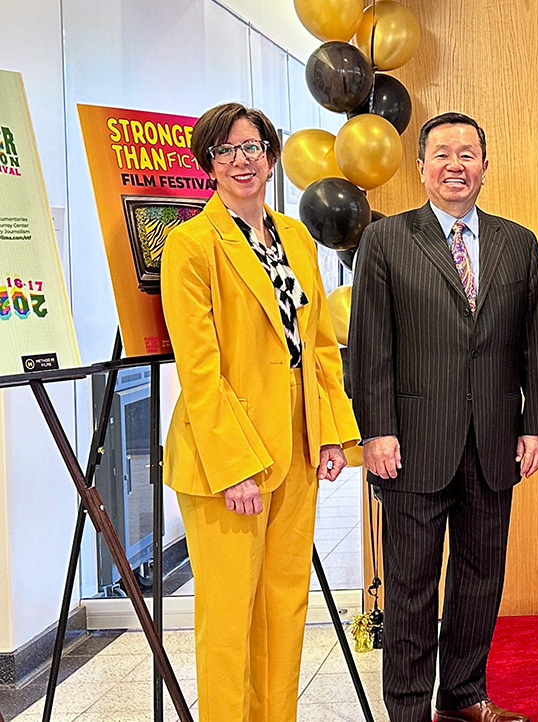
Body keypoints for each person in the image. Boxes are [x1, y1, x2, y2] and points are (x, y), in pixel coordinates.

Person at [349, 112, 538, 722]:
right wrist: (377, 430)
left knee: (479, 579)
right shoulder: (386, 240)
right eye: (442, 154)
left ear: (486, 168)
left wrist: (537, 422)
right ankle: (410, 708)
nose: (455, 165)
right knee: (411, 587)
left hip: (494, 441)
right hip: (412, 442)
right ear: (420, 168)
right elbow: (370, 345)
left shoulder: (518, 243)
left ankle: (464, 695)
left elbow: (533, 342)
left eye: (468, 154)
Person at [161, 102, 359, 722]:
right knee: (227, 623)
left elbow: (320, 346)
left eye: (252, 148)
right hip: (229, 458)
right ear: (209, 164)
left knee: (283, 609)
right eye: (226, 151)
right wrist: (235, 466)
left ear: (271, 157)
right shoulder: (191, 244)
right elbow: (199, 371)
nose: (241, 161)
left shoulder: (295, 236)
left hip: (296, 447)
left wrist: (331, 436)